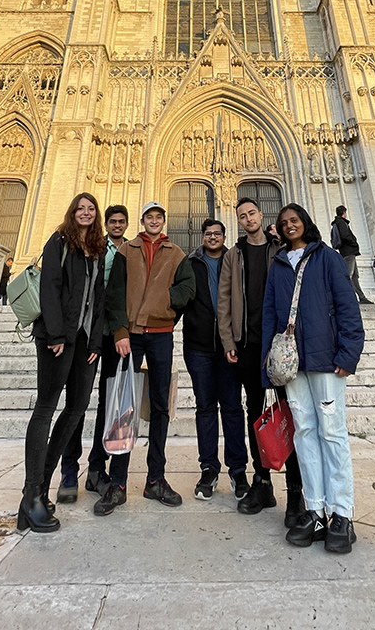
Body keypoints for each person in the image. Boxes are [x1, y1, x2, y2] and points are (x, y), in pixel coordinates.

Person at [263, 204, 365, 553]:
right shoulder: (278, 266)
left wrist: (349, 353)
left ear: (306, 223)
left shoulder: (328, 258)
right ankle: (316, 509)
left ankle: (342, 513)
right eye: (283, 223)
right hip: (293, 365)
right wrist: (268, 367)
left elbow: (347, 305)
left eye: (295, 221)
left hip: (326, 359)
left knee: (332, 432)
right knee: (304, 433)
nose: (290, 226)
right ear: (278, 229)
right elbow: (269, 317)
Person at [97, 201, 196, 516]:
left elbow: (188, 288)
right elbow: (114, 292)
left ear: (163, 222)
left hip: (161, 335)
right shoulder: (128, 250)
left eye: (159, 217)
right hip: (131, 336)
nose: (154, 221)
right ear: (142, 221)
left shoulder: (176, 253)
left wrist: (167, 304)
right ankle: (118, 483)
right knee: (123, 405)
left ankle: (156, 478)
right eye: (149, 217)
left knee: (159, 407)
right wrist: (119, 331)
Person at [18, 193, 106, 533]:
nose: (85, 213)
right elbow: (50, 288)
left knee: (78, 406)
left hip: (85, 341)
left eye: (90, 209)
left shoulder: (96, 247)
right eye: (80, 209)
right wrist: (54, 334)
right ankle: (32, 494)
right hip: (58, 338)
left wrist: (96, 340)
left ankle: (38, 489)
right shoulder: (59, 241)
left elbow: (97, 298)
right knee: (46, 408)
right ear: (72, 213)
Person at [218, 196, 304, 526]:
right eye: (242, 215)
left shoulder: (280, 249)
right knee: (256, 414)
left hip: (280, 345)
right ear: (237, 220)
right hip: (248, 345)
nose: (248, 218)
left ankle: (295, 490)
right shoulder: (233, 255)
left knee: (289, 412)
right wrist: (228, 340)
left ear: (261, 215)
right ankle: (263, 481)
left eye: (252, 213)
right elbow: (224, 300)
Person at [56, 204, 129, 504]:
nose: (116, 225)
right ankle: (69, 470)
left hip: (112, 335)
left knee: (109, 404)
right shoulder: (92, 248)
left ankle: (97, 469)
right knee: (77, 403)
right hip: (85, 335)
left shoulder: (130, 249)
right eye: (111, 221)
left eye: (121, 222)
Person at [184, 219, 249, 501]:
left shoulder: (236, 260)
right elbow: (178, 297)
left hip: (229, 347)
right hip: (198, 347)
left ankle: (238, 470)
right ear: (203, 236)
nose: (212, 237)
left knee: (233, 408)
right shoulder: (190, 262)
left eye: (217, 233)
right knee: (206, 408)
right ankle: (209, 469)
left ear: (225, 236)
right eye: (208, 233)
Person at [330, 206, 373, 304]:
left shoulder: (338, 222)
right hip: (348, 251)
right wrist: (353, 242)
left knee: (354, 276)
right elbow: (345, 236)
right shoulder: (341, 222)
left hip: (348, 251)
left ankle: (362, 297)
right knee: (348, 275)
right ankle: (343, 297)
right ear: (344, 213)